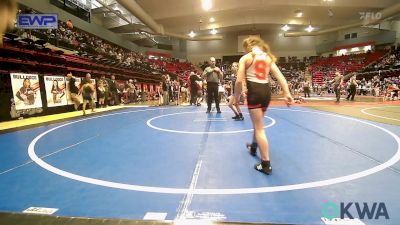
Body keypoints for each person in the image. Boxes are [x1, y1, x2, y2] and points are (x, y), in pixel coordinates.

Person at [234, 36, 293, 175]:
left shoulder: (246, 58)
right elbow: (280, 77)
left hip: (255, 92)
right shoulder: (267, 57)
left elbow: (238, 81)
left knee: (259, 128)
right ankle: (254, 146)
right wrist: (287, 93)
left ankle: (265, 164)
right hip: (266, 92)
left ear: (247, 47)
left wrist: (236, 97)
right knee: (258, 123)